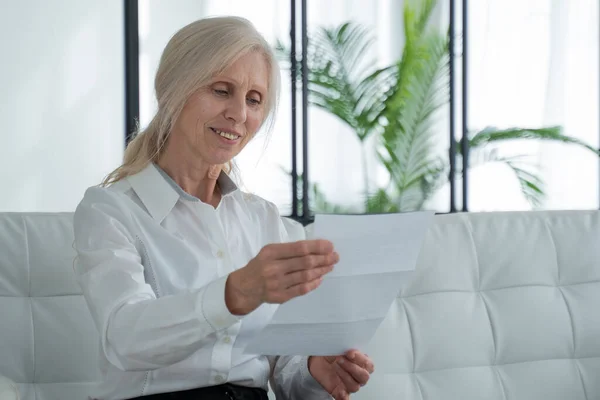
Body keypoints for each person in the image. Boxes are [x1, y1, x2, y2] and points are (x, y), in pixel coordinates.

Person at [73, 16, 374, 400]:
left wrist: (316, 371)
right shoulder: (111, 211)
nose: (239, 114)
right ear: (172, 91)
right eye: (221, 90)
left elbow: (284, 371)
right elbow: (125, 336)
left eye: (254, 99)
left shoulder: (263, 219)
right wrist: (232, 295)